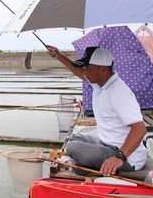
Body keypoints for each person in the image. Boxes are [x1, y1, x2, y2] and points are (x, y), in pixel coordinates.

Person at [47, 45, 147, 176]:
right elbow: (80, 73)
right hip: (106, 143)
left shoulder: (119, 92)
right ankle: (90, 163)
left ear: (103, 70)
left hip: (125, 157)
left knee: (74, 148)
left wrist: (119, 157)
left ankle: (98, 166)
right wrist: (59, 56)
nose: (85, 71)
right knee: (73, 139)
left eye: (87, 68)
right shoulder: (100, 83)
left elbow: (140, 128)